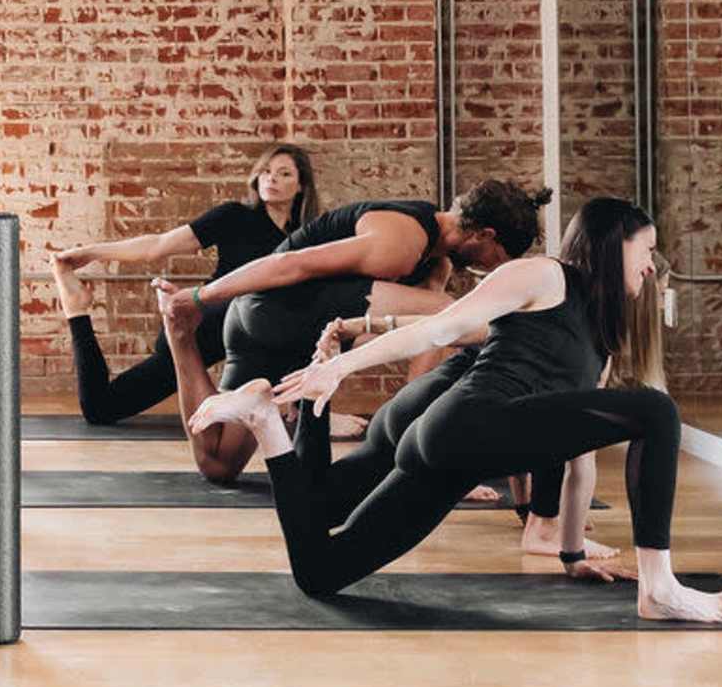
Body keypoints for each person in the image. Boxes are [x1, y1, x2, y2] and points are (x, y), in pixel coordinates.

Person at [187, 197, 722, 626]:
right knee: (658, 411)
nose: (650, 268)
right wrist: (342, 368)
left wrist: (572, 554)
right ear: (613, 242)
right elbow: (441, 327)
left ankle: (266, 424)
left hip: (448, 457)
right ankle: (660, 588)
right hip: (466, 423)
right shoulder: (545, 276)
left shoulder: (599, 341)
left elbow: (574, 457)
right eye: (645, 251)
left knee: (320, 573)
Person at [160, 183, 541, 483]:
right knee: (450, 318)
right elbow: (292, 264)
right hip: (275, 310)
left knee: (218, 463)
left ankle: (181, 337)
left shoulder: (433, 260)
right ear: (485, 235)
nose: (493, 271)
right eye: (500, 260)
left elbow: (417, 345)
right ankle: (411, 451)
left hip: (264, 326)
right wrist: (201, 296)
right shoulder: (402, 243)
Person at [40, 144, 322, 427]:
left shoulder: (305, 237)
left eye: (284, 174)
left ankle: (305, 410)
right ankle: (76, 308)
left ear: (300, 187)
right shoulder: (234, 216)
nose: (271, 179)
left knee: (299, 315)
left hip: (255, 338)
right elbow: (159, 245)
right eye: (265, 172)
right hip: (204, 327)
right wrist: (91, 253)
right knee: (101, 408)